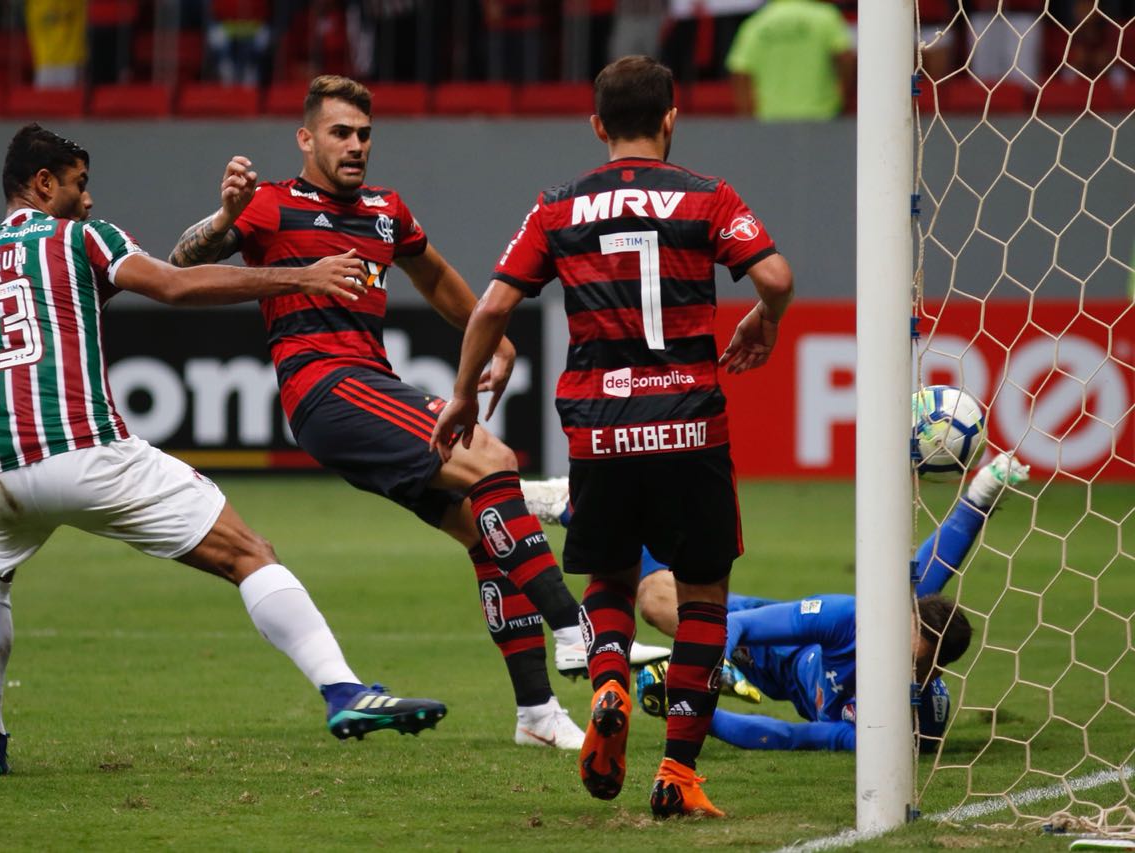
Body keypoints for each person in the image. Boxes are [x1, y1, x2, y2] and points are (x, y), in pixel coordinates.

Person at [0, 123, 446, 778]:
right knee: (248, 552)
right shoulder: (82, 238)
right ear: (43, 183)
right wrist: (304, 277)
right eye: (79, 185)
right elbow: (175, 286)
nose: (89, 199)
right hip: (86, 453)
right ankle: (343, 690)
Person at [167, 76, 668, 751]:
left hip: (368, 382)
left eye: (364, 134)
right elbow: (181, 263)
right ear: (306, 139)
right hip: (326, 387)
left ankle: (537, 712)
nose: (355, 146)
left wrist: (497, 339)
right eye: (340, 133)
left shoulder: (385, 209)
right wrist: (224, 219)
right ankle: (575, 628)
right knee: (492, 458)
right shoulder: (272, 204)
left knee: (484, 531)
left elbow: (431, 274)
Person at [431, 56, 794, 818]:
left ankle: (607, 686)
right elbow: (776, 277)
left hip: (601, 432)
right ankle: (678, 773)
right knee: (702, 595)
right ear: (671, 118)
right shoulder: (708, 195)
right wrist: (765, 319)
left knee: (610, 578)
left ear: (597, 124)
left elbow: (492, 306)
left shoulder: (557, 206)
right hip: (690, 426)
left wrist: (463, 394)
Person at [524, 452, 1032, 752]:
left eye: (912, 659)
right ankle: (575, 506)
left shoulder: (902, 727)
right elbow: (744, 628)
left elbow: (789, 738)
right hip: (780, 641)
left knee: (661, 602)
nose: (896, 653)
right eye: (902, 638)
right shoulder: (858, 621)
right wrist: (710, 668)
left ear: (931, 670)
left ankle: (588, 509)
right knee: (658, 603)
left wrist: (691, 710)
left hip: (782, 681)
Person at [724, 0, 855, 121]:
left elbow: (740, 73)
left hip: (771, 119)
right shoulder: (825, 16)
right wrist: (842, 96)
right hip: (823, 115)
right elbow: (846, 58)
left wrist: (749, 119)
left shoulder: (756, 23)